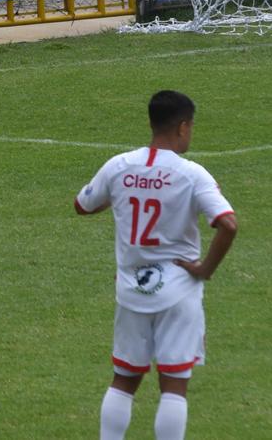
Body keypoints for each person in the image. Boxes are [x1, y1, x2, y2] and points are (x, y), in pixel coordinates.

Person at [74, 90, 237, 440]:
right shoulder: (193, 174)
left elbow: (83, 205)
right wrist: (205, 269)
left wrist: (122, 197)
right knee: (174, 384)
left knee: (124, 380)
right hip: (179, 292)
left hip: (132, 290)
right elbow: (228, 223)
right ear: (182, 127)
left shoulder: (119, 166)